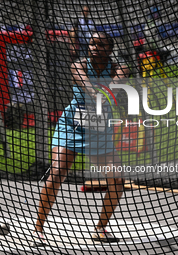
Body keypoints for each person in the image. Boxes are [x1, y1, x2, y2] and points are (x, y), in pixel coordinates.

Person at [30, 32, 129, 246]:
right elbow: (85, 84)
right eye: (92, 43)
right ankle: (38, 229)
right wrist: (96, 93)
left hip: (99, 130)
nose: (94, 47)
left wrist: (107, 95)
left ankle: (101, 228)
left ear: (110, 50)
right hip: (72, 125)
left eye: (100, 45)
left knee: (117, 179)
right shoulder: (78, 65)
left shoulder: (120, 68)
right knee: (57, 173)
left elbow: (114, 86)